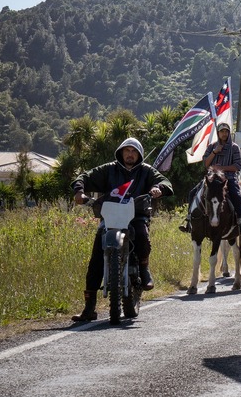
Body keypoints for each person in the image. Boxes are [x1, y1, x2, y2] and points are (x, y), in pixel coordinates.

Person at [71, 137, 173, 322]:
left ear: (139, 154)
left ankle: (143, 269)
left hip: (136, 216)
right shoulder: (108, 169)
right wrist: (79, 190)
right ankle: (89, 308)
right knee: (95, 258)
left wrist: (159, 188)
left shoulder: (146, 171)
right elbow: (84, 176)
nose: (130, 154)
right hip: (110, 217)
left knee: (142, 234)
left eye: (134, 151)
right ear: (120, 152)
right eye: (127, 150)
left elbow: (164, 181)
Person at [200, 123, 241, 237]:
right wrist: (214, 152)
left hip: (228, 178)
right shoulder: (212, 146)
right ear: (218, 133)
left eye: (226, 131)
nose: (224, 134)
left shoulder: (234, 147)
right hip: (212, 179)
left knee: (236, 195)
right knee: (194, 192)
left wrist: (221, 168)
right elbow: (206, 163)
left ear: (229, 133)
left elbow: (237, 166)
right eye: (222, 131)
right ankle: (190, 220)